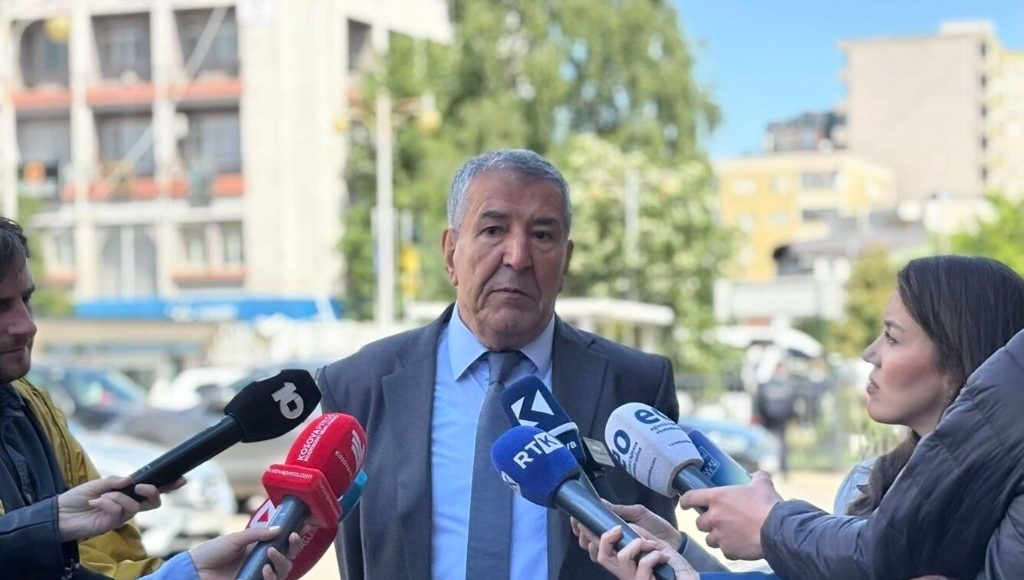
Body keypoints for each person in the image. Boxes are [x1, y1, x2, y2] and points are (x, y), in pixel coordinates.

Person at [318, 149, 680, 580]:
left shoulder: (636, 385)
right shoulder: (358, 385)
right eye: (493, 230)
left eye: (542, 235)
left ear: (565, 260)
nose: (517, 257)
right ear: (451, 253)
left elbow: (657, 559)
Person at [678, 255, 1024, 579]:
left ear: (958, 359)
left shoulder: (1006, 515)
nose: (870, 353)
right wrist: (680, 554)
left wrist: (770, 526)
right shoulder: (866, 482)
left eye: (892, 337)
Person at [0, 216, 178, 578]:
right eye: (0, 307)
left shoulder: (32, 405)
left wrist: (192, 571)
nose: (27, 325)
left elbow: (101, 559)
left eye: (26, 299)